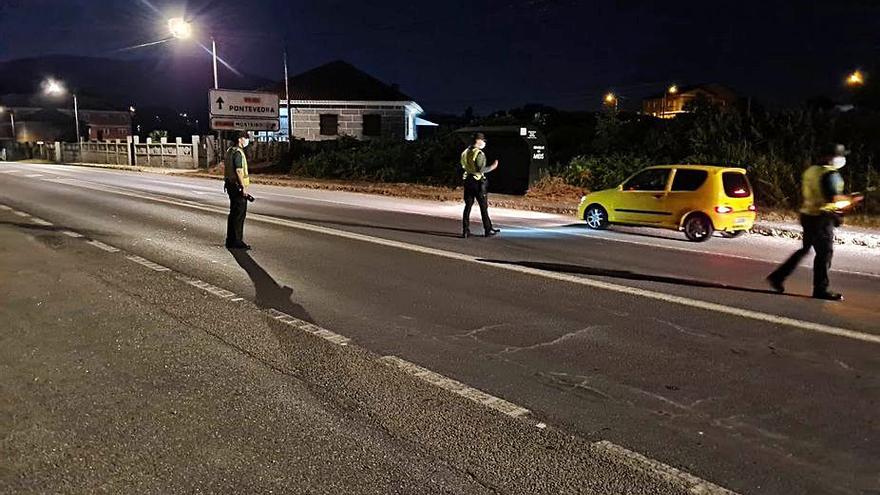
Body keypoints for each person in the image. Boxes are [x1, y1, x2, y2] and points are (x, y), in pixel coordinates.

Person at [766, 144, 863, 300]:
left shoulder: (811, 171)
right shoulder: (830, 174)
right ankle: (820, 289)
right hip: (822, 217)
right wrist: (852, 199)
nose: (842, 159)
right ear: (831, 157)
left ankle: (778, 277)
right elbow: (834, 198)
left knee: (804, 250)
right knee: (824, 253)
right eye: (840, 156)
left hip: (807, 215)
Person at [461, 132, 501, 238]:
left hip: (468, 181)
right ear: (478, 141)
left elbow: (463, 165)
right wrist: (493, 167)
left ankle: (465, 230)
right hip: (478, 182)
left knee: (468, 206)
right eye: (483, 141)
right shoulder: (479, 153)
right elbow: (481, 169)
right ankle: (488, 229)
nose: (484, 143)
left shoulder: (465, 152)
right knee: (483, 207)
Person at [224, 131, 252, 250]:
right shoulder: (238, 153)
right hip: (237, 187)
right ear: (240, 139)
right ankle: (237, 241)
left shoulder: (230, 151)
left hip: (230, 185)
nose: (247, 141)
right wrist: (243, 188)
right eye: (245, 138)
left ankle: (230, 240)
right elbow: (239, 171)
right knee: (239, 215)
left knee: (233, 214)